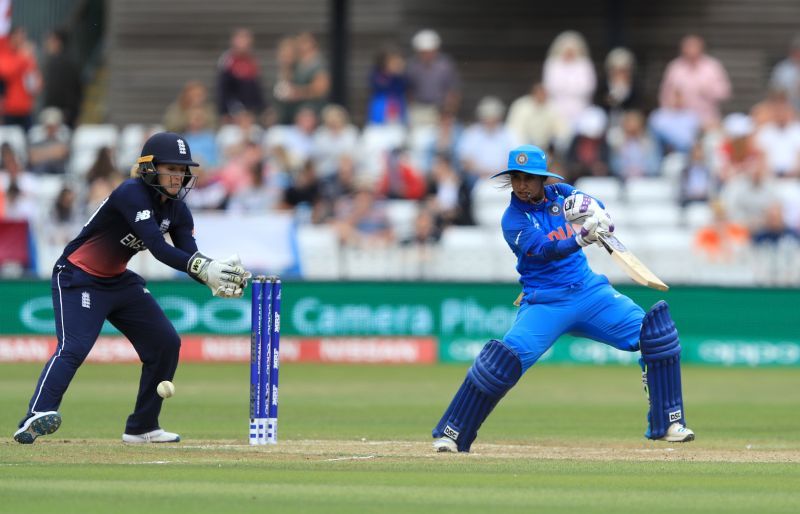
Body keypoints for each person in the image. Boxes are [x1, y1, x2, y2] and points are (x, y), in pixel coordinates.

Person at [431, 144, 695, 453]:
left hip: (589, 292)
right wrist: (581, 238)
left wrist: (601, 219)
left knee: (657, 334)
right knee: (499, 363)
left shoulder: (560, 195)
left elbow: (593, 205)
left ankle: (668, 422)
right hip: (545, 303)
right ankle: (453, 432)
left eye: (529, 178)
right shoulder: (512, 219)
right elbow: (544, 250)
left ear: (543, 179)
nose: (521, 185)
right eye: (516, 178)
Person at [13, 132, 250, 445]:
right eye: (171, 168)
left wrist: (213, 274)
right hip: (78, 276)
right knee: (75, 346)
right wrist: (204, 268)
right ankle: (35, 415)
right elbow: (156, 247)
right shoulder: (131, 192)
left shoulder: (178, 210)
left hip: (118, 280)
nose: (178, 176)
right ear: (150, 168)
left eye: (182, 170)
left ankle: (142, 426)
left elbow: (187, 253)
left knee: (166, 343)